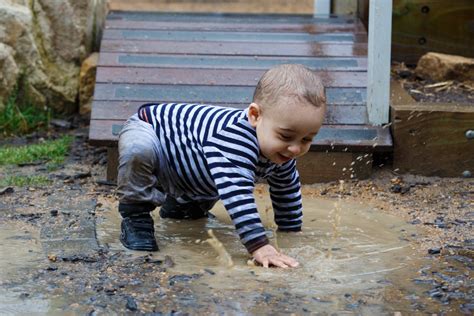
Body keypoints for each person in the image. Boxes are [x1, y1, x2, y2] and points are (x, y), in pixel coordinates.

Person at [117, 64, 326, 268]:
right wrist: (260, 245)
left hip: (191, 164)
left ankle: (183, 208)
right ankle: (136, 217)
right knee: (138, 151)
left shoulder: (283, 149)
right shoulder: (235, 138)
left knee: (210, 176)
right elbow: (237, 194)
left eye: (307, 139)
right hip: (154, 134)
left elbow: (287, 190)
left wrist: (291, 232)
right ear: (255, 116)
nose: (296, 149)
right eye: (286, 136)